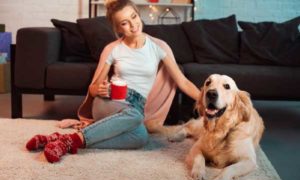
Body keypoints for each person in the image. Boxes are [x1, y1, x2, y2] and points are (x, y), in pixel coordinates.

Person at [25, 0, 200, 163]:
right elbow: (93, 90)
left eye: (134, 17)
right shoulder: (113, 49)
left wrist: (205, 100)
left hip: (136, 106)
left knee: (141, 137)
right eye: (125, 23)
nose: (133, 25)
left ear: (139, 15)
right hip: (108, 102)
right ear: (118, 28)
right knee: (137, 118)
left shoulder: (157, 48)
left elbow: (183, 82)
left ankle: (61, 140)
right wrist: (99, 89)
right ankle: (72, 140)